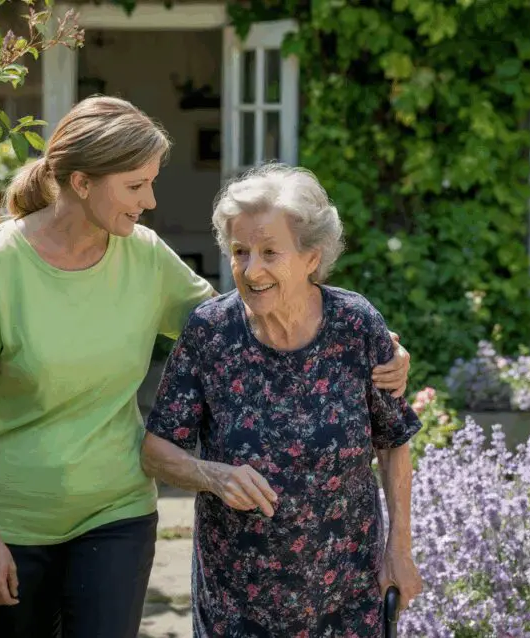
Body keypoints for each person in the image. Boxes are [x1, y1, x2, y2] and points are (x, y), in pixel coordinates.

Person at [0, 97, 414, 637]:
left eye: (151, 182)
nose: (150, 200)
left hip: (116, 510)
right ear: (82, 183)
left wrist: (382, 349)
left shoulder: (144, 255)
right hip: (18, 515)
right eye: (136, 185)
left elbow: (241, 318)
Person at [141, 163, 424, 637]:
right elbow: (156, 450)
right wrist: (212, 475)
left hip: (347, 592)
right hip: (237, 601)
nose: (252, 270)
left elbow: (393, 440)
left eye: (270, 252)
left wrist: (399, 549)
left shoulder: (355, 325)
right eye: (240, 251)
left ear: (311, 258)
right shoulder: (211, 332)